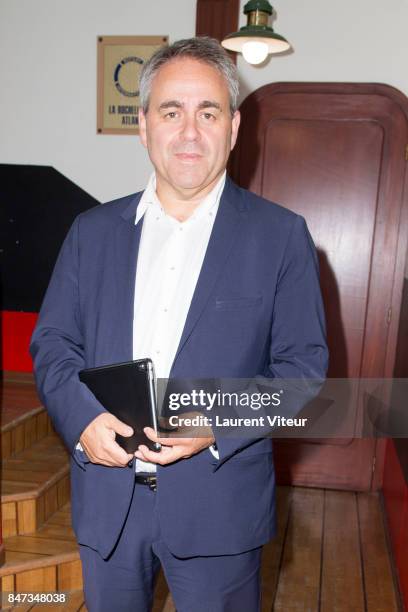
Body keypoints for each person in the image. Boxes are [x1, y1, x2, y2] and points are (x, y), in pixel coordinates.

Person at [30, 37, 328, 612]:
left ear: (234, 127)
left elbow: (304, 374)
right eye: (172, 111)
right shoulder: (90, 233)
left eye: (208, 112)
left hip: (220, 511)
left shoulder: (281, 237)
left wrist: (214, 422)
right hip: (107, 501)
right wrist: (84, 418)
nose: (189, 132)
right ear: (143, 125)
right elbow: (53, 343)